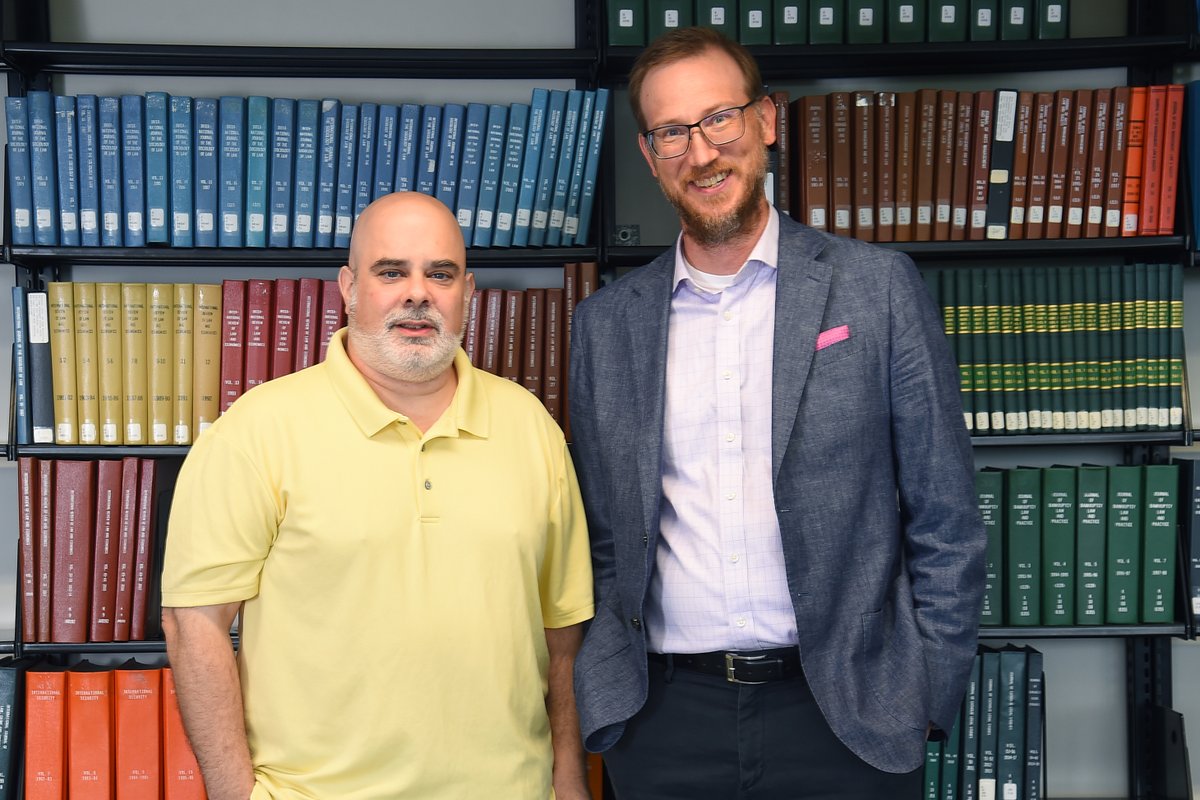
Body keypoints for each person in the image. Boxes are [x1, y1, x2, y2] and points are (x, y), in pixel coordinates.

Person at [568, 26, 986, 799]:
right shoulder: (605, 326)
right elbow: (602, 539)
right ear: (649, 152)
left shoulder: (875, 290)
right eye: (672, 132)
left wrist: (927, 690)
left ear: (765, 121)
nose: (701, 152)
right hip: (664, 725)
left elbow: (946, 515)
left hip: (847, 716)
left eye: (719, 118)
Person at [161, 191, 595, 800]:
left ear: (468, 292)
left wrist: (569, 785)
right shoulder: (257, 429)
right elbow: (194, 623)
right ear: (347, 286)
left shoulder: (531, 429)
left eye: (438, 274)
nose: (417, 293)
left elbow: (563, 637)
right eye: (391, 271)